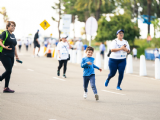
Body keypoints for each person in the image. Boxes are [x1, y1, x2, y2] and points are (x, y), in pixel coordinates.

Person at [0, 21, 20, 93]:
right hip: (4, 54)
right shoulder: (5, 33)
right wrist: (4, 47)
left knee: (9, 72)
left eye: (14, 26)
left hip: (11, 55)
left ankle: (6, 88)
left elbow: (14, 46)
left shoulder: (13, 35)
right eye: (12, 26)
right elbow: (0, 41)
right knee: (8, 70)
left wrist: (17, 56)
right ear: (8, 27)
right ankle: (0, 78)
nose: (13, 27)